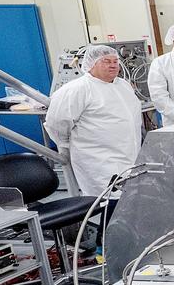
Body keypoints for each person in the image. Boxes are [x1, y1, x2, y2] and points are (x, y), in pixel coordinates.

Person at [45, 44, 143, 197]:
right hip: (98, 159)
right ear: (91, 64)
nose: (113, 65)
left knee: (130, 198)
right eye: (106, 61)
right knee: (108, 199)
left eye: (115, 61)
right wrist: (65, 145)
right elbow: (57, 122)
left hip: (129, 153)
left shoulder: (123, 85)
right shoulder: (77, 89)